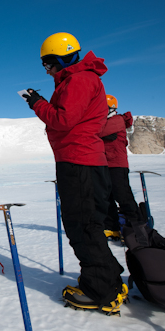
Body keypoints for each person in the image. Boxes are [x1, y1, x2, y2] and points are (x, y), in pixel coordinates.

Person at [22, 32, 127, 314]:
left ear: (60, 58)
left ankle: (100, 291)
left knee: (82, 226)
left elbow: (63, 120)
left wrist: (37, 104)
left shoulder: (79, 80)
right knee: (88, 225)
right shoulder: (78, 79)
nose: (47, 70)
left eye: (48, 63)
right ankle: (108, 279)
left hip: (78, 162)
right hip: (82, 162)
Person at [100, 95, 142, 240]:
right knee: (106, 197)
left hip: (117, 164)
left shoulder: (117, 120)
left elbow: (98, 132)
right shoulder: (105, 121)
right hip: (104, 164)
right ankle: (112, 228)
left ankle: (136, 229)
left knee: (123, 196)